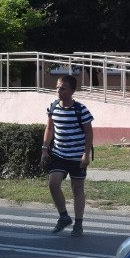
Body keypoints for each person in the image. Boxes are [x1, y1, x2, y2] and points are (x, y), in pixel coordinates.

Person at [40, 74, 94, 236]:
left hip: (77, 157)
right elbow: (49, 129)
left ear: (72, 90)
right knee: (53, 183)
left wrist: (86, 155)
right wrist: (44, 149)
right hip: (59, 155)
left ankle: (78, 224)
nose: (58, 91)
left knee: (77, 189)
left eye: (62, 88)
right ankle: (64, 217)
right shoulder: (53, 107)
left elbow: (89, 134)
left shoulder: (81, 110)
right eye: (57, 87)